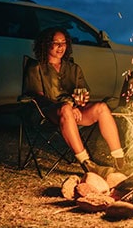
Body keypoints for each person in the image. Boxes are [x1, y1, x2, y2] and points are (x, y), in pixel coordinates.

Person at [23, 27, 126, 179]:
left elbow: (82, 93)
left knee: (102, 108)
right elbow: (39, 98)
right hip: (47, 113)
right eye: (56, 42)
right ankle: (87, 163)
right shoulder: (35, 68)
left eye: (63, 42)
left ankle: (120, 159)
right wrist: (69, 105)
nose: (61, 46)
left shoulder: (73, 68)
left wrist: (80, 101)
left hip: (74, 112)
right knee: (65, 109)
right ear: (45, 45)